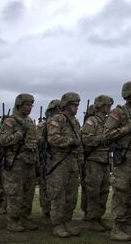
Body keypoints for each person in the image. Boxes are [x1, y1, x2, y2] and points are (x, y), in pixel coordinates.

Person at [103, 81, 131, 241]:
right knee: (121, 193)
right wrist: (127, 129)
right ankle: (117, 228)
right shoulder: (118, 113)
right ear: (128, 95)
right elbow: (107, 134)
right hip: (125, 159)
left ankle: (126, 226)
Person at [0, 93, 39, 232]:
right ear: (19, 105)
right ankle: (13, 220)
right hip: (16, 161)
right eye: (27, 104)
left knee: (28, 192)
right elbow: (3, 141)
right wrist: (18, 134)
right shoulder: (11, 121)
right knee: (15, 192)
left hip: (30, 161)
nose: (29, 107)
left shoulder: (29, 120)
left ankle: (24, 217)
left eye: (31, 105)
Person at [47, 92, 83, 238]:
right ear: (66, 105)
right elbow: (52, 138)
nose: (76, 108)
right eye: (74, 105)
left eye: (77, 105)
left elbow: (79, 142)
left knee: (71, 194)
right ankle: (58, 224)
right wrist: (70, 141)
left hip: (72, 161)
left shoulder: (75, 121)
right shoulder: (58, 119)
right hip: (59, 161)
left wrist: (80, 159)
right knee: (58, 193)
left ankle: (67, 221)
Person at [81, 95, 114, 232]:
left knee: (104, 190)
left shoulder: (106, 121)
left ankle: (99, 217)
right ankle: (92, 219)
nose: (109, 108)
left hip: (105, 160)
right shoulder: (92, 121)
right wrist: (103, 138)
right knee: (93, 190)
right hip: (94, 160)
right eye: (107, 105)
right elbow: (86, 140)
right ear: (101, 106)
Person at [38, 99, 60, 221]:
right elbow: (36, 140)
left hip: (58, 159)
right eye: (56, 109)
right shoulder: (43, 125)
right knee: (45, 186)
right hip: (46, 159)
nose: (58, 111)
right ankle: (46, 210)